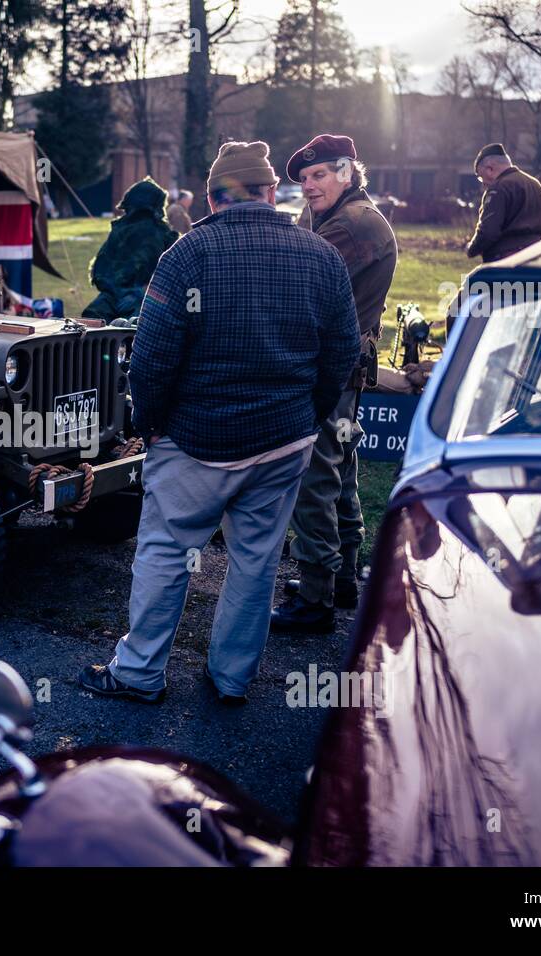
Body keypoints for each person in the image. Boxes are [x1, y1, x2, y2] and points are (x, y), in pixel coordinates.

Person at [78, 141, 360, 706]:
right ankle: (232, 677)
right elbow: (342, 353)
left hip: (195, 441)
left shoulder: (189, 252)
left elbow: (152, 358)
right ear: (267, 192)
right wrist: (311, 413)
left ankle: (137, 673)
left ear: (211, 197)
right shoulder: (319, 255)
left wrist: (149, 422)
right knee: (255, 562)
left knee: (164, 552)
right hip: (283, 440)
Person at [271, 134, 398, 634]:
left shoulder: (352, 224)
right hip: (344, 366)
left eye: (319, 175)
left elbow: (302, 288)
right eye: (303, 179)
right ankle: (341, 578)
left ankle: (317, 597)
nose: (308, 186)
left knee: (314, 476)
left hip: (329, 368)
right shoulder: (337, 216)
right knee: (341, 469)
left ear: (347, 171)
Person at [81, 177, 178, 323]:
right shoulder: (125, 230)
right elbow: (101, 270)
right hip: (117, 297)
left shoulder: (156, 234)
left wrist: (140, 292)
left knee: (126, 327)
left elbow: (171, 276)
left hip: (139, 299)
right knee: (93, 323)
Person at [466, 143, 541, 263]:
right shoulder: (535, 184)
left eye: (481, 177)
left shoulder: (498, 188)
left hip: (506, 261)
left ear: (489, 168)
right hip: (537, 258)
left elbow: (488, 232)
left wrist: (471, 249)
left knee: (470, 282)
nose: (483, 184)